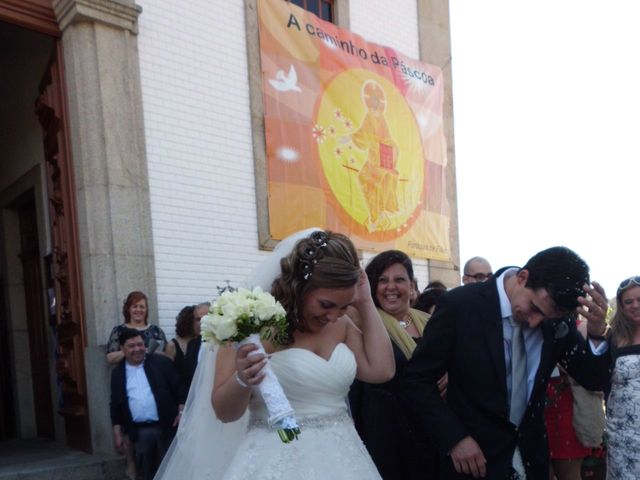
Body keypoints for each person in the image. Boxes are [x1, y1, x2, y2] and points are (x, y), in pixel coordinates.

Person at [154, 229, 395, 479]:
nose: (333, 315)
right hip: (273, 459)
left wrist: (365, 303)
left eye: (344, 306)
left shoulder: (341, 324)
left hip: (344, 458)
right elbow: (225, 413)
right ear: (301, 288)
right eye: (326, 305)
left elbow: (381, 371)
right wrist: (242, 379)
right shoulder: (249, 325)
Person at [403, 246, 610, 479]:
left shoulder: (554, 322)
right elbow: (417, 380)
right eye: (534, 308)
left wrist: (595, 332)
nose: (535, 323)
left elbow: (594, 378)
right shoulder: (460, 305)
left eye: (546, 318)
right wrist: (454, 438)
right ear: (522, 277)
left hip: (531, 462)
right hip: (472, 463)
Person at [349, 250, 438, 479]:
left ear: (411, 285)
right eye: (382, 280)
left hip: (432, 428)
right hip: (386, 431)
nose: (391, 287)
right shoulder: (364, 324)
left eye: (399, 279)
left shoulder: (431, 323)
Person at [110, 328, 185, 480]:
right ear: (122, 349)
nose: (137, 349)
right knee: (147, 472)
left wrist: (182, 412)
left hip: (168, 426)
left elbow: (179, 389)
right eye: (131, 346)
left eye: (140, 344)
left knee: (173, 470)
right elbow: (115, 405)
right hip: (141, 432)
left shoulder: (161, 363)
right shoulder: (118, 373)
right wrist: (117, 434)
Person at [606, 275, 640, 479]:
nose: (635, 305)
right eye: (629, 301)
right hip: (623, 435)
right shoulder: (613, 336)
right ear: (621, 304)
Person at [106, 291, 168, 364]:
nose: (138, 310)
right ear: (128, 309)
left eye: (142, 307)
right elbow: (109, 358)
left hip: (153, 374)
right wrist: (131, 350)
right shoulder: (119, 330)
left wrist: (152, 352)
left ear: (146, 310)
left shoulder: (157, 331)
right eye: (135, 306)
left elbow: (167, 356)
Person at [165, 304, 203, 394]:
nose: (201, 323)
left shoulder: (201, 342)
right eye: (197, 320)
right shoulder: (172, 345)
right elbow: (168, 374)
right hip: (180, 394)